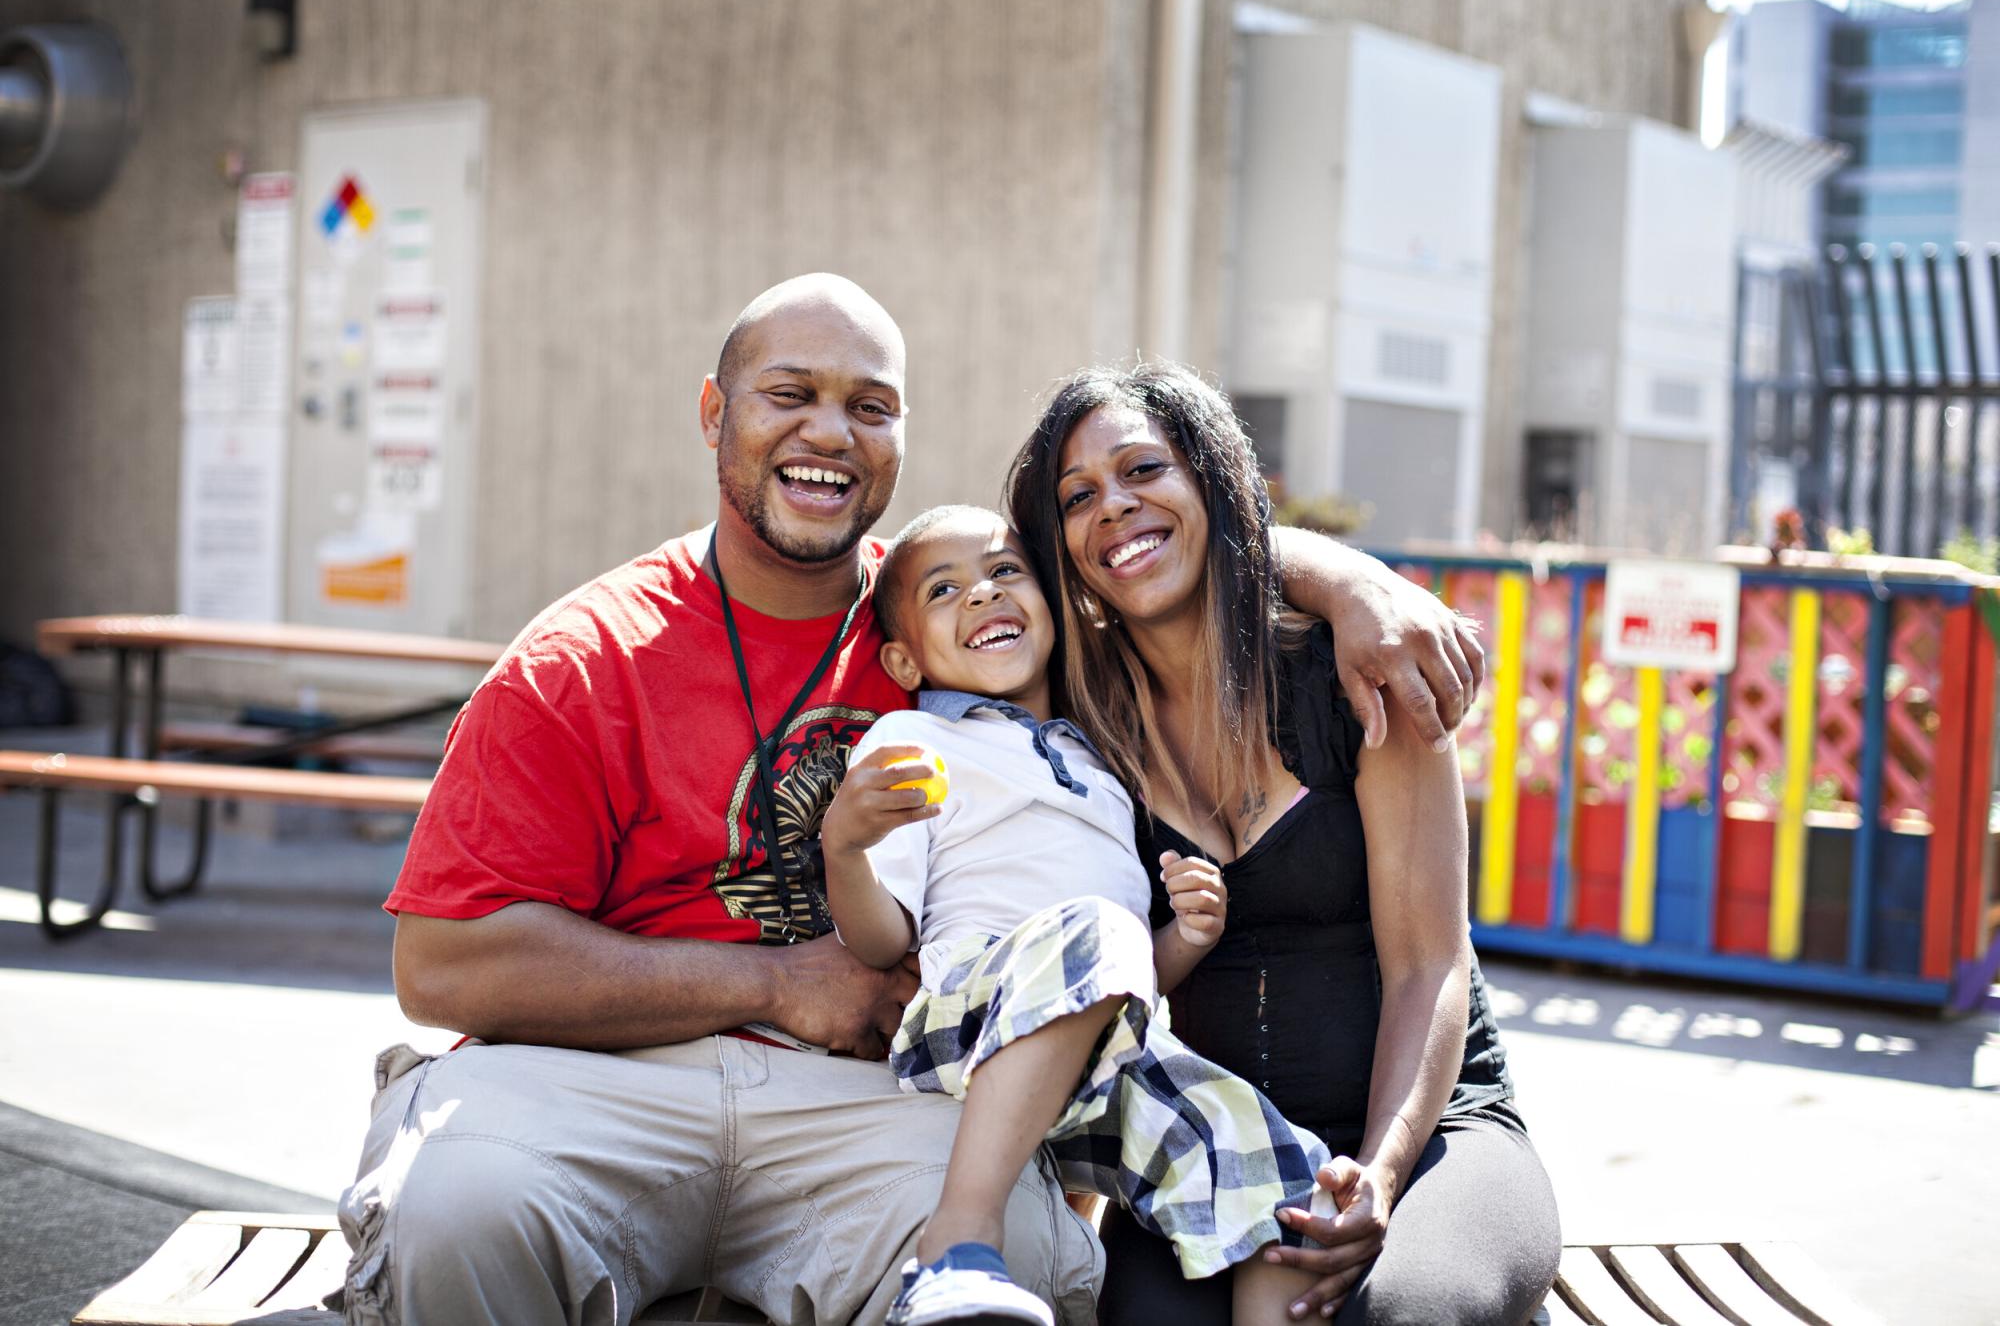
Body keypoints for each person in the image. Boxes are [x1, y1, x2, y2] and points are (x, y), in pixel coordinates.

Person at [338, 274, 1488, 1326]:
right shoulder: (584, 656)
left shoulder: (947, 609)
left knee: (1027, 1260)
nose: (828, 431)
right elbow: (440, 964)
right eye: (788, 393)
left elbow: (1148, 554)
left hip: (868, 1102)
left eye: (869, 405)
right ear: (712, 413)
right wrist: (776, 983)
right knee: (460, 1209)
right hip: (604, 1085)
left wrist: (1349, 576)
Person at [1005, 362, 1561, 1326]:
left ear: (1210, 481)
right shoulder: (1082, 727)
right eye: (1079, 496)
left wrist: (1382, 1176)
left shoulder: (1357, 678)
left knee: (1393, 1315)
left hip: (1434, 1133)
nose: (1115, 508)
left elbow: (1432, 962)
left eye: (1145, 470)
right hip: (1221, 1150)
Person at [822, 505, 1335, 1326]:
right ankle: (956, 1242)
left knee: (1289, 1191)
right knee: (1095, 930)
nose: (983, 595)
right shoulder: (914, 741)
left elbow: (1122, 980)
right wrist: (844, 849)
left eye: (1004, 572)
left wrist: (1183, 940)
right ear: (902, 655)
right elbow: (885, 938)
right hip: (970, 1023)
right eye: (945, 589)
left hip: (1108, 1060)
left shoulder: (1099, 760)